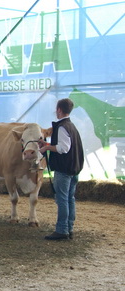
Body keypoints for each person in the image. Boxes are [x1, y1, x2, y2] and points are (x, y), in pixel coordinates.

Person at [40, 98, 84, 240]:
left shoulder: (62, 127)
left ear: (59, 110)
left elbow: (63, 148)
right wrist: (47, 143)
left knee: (62, 199)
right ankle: (69, 228)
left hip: (63, 169)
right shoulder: (71, 126)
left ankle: (61, 230)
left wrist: (46, 147)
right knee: (70, 199)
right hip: (73, 169)